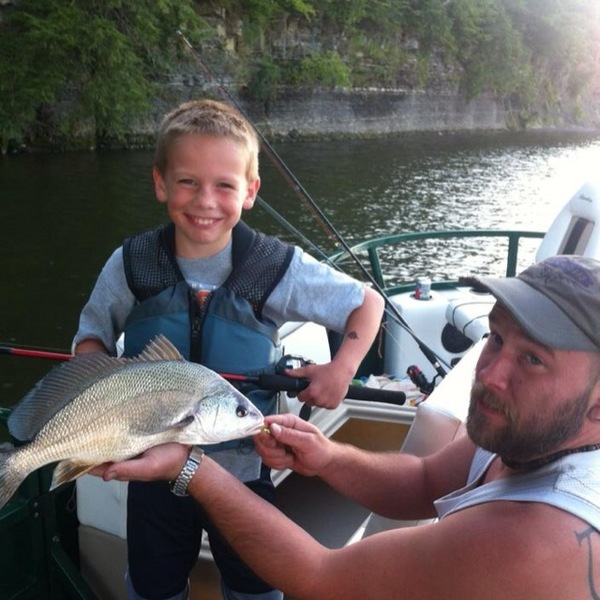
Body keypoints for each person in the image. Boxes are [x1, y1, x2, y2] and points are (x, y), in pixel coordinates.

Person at [94, 254, 600, 599]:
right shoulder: (526, 434)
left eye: (533, 359)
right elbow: (425, 480)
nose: (489, 375)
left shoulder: (541, 540)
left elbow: (322, 578)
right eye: (495, 338)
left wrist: (192, 468)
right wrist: (328, 458)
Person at [73, 98, 384, 600]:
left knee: (257, 587)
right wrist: (97, 382)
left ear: (250, 191)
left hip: (244, 475)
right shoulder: (132, 264)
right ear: (160, 183)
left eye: (224, 185)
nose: (205, 201)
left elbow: (367, 303)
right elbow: (91, 338)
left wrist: (343, 368)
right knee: (151, 588)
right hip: (152, 474)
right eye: (187, 182)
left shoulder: (275, 267)